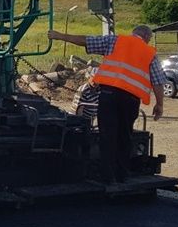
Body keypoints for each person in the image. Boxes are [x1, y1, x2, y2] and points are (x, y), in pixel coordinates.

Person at [48, 25, 166, 184]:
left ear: (133, 33)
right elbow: (158, 81)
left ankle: (107, 177)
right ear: (147, 37)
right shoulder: (150, 53)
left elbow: (86, 41)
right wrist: (159, 105)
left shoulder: (115, 41)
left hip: (109, 96)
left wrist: (60, 35)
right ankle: (122, 175)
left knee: (107, 136)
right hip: (131, 100)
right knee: (125, 135)